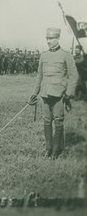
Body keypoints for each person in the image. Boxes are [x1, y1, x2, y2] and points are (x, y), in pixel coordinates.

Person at [28, 27, 78, 159]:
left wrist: (68, 93)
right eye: (47, 39)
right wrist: (34, 93)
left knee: (58, 121)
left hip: (59, 95)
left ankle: (57, 150)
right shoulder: (43, 55)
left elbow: (74, 76)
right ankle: (48, 149)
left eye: (51, 39)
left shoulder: (66, 55)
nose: (48, 41)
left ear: (57, 39)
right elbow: (39, 76)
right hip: (44, 94)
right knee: (46, 121)